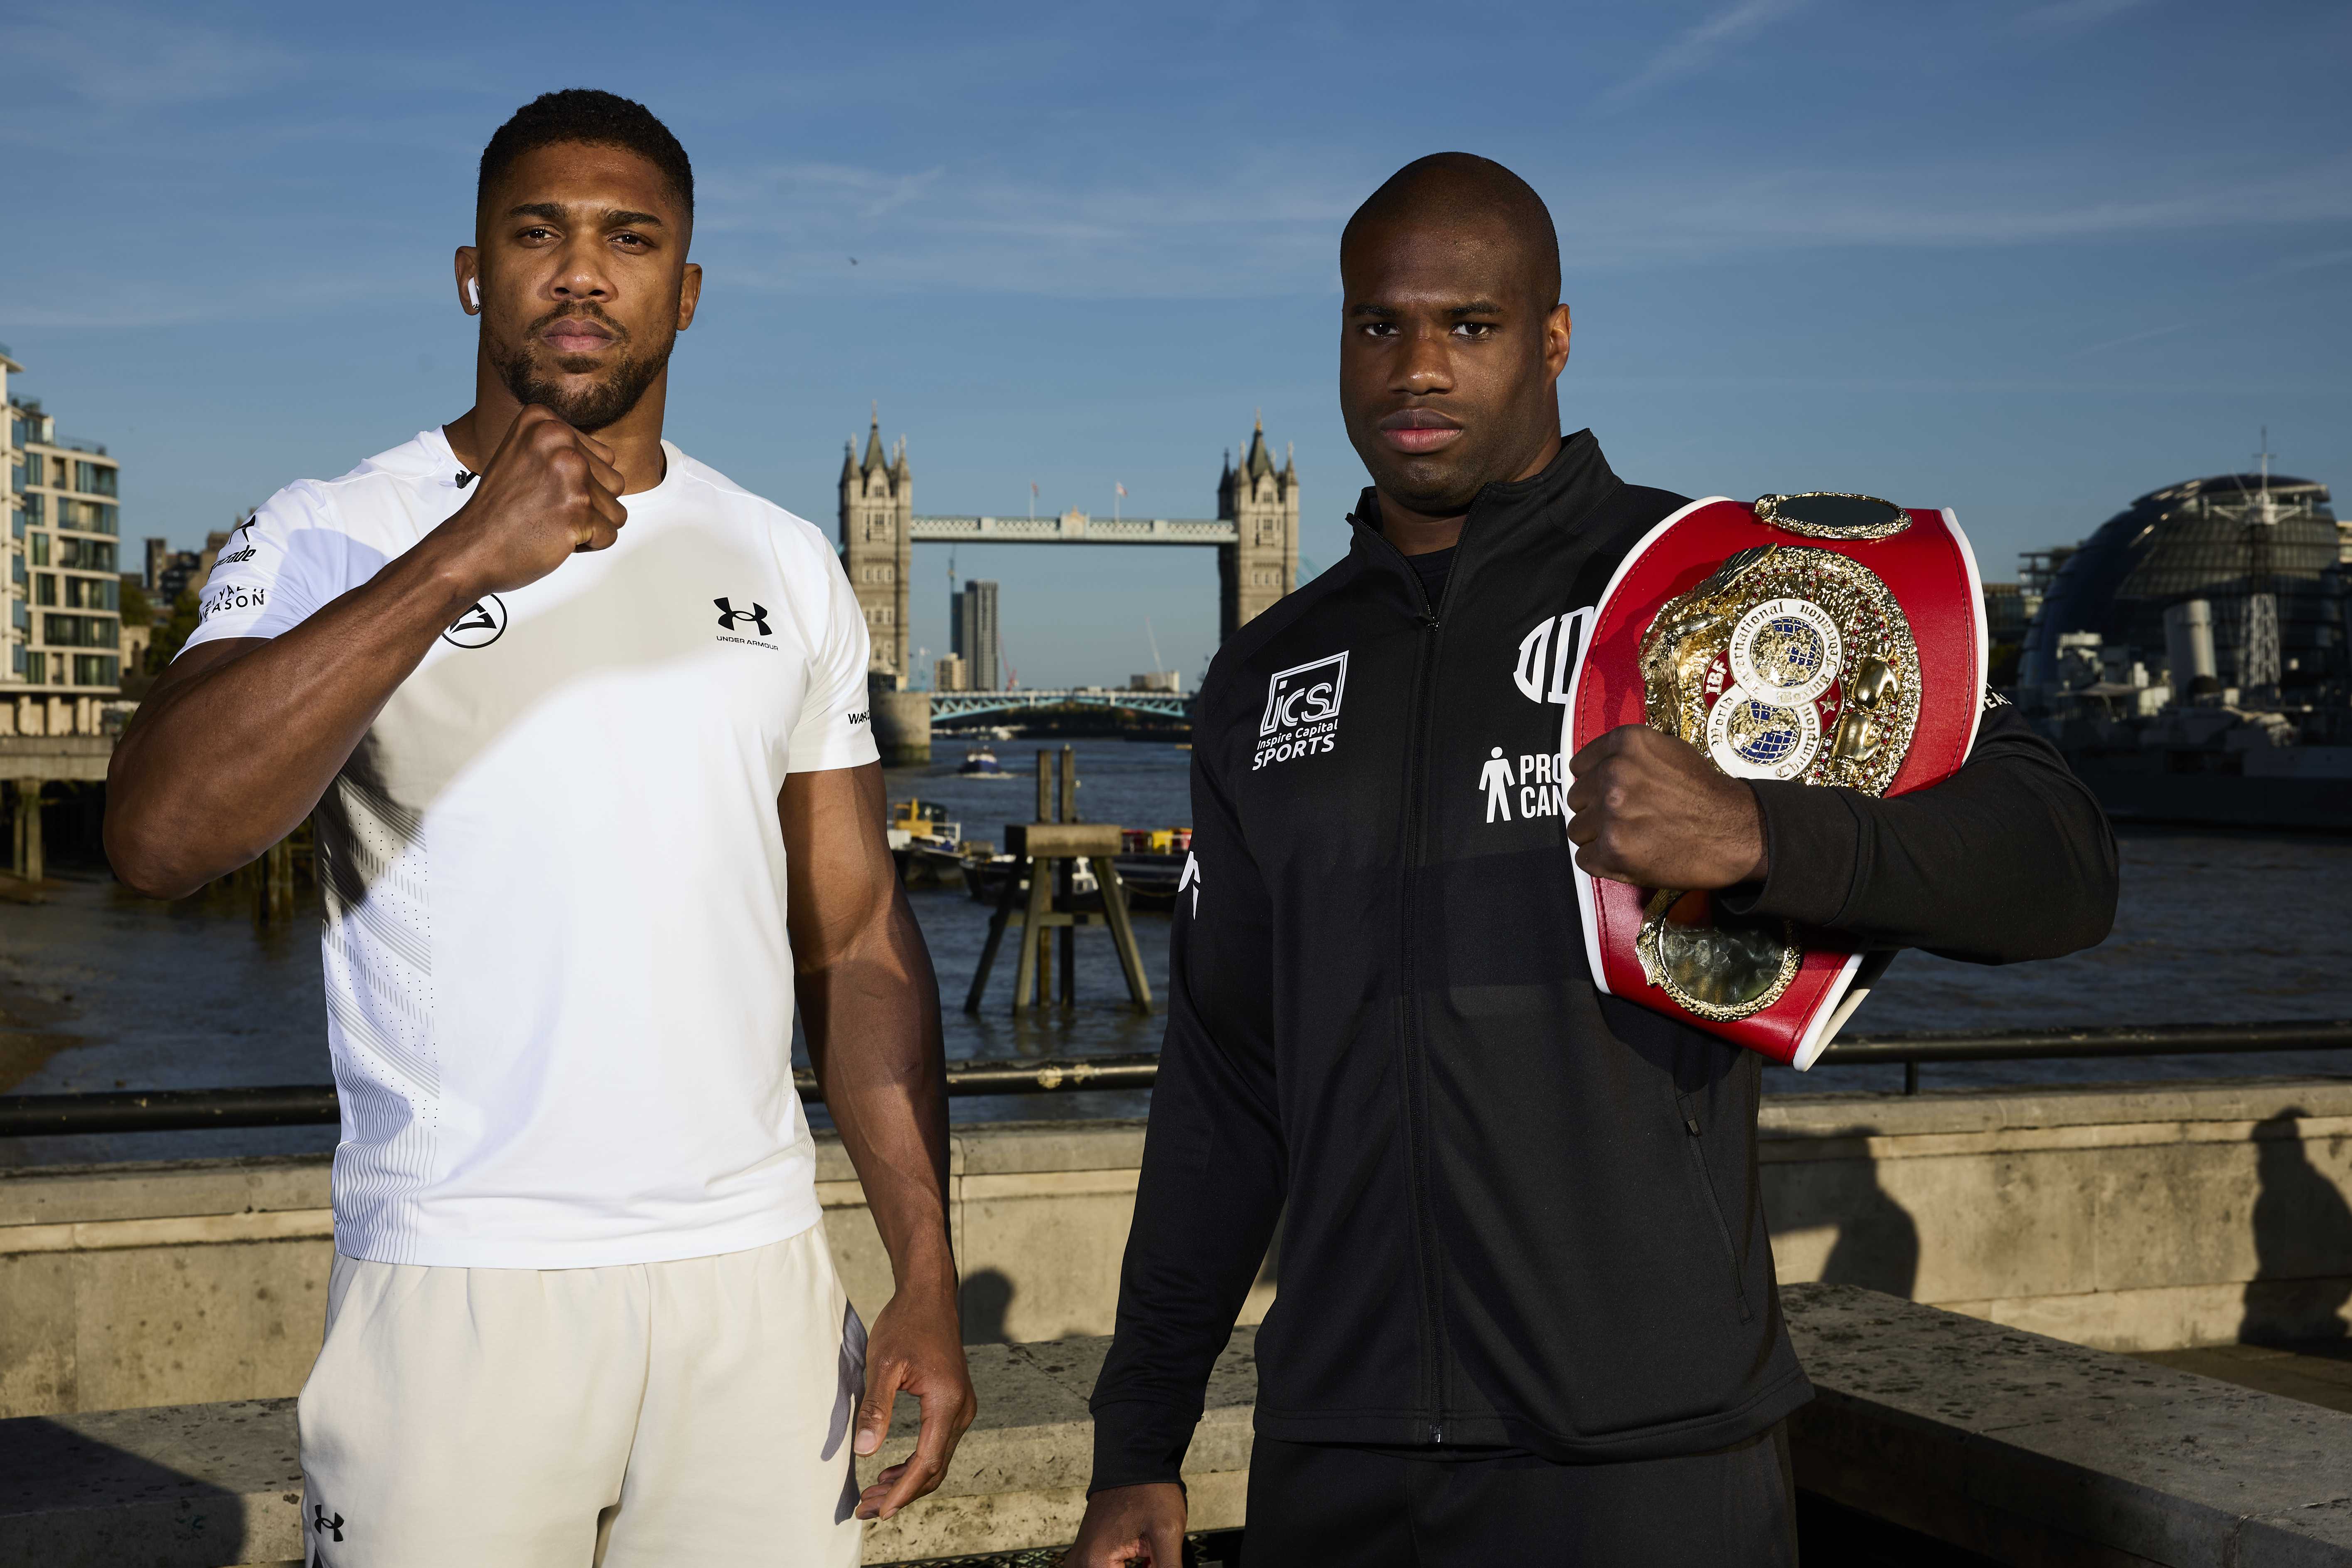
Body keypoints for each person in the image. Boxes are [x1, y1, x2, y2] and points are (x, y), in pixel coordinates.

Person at [1063, 153, 2116, 1567]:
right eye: (1378, 325)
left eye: (1471, 326)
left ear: (1553, 338)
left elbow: (2060, 864)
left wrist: (1763, 836)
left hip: (1649, 1455)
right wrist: (1140, 1441)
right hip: (1336, 1452)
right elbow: (1224, 1084)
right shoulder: (1263, 674)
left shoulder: (1728, 585)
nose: (1417, 367)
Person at [104, 89, 973, 1567]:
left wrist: (928, 1273)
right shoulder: (334, 527)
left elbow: (853, 938)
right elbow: (159, 834)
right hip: (462, 1288)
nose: (584, 272)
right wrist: (461, 556)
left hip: (753, 1294)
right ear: (472, 273)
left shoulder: (786, 557)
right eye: (540, 234)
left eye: (630, 240)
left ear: (685, 292)